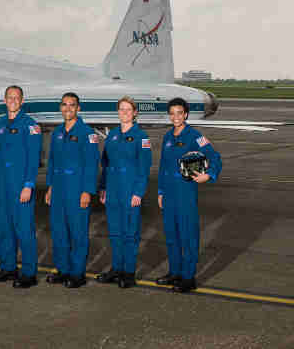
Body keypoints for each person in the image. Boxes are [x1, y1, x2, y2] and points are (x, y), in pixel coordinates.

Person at [156, 97, 222, 293]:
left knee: (188, 236)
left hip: (185, 192)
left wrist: (209, 175)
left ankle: (188, 277)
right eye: (172, 113)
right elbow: (162, 167)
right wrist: (160, 191)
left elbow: (214, 157)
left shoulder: (195, 135)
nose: (175, 116)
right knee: (171, 237)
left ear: (185, 114)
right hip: (169, 194)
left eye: (179, 113)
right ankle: (175, 273)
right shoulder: (168, 137)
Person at [44, 92, 100, 288]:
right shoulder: (57, 132)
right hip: (58, 189)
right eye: (64, 105)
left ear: (78, 108)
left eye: (72, 105)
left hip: (77, 190)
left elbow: (92, 165)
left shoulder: (87, 133)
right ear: (61, 107)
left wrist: (87, 191)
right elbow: (51, 162)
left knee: (77, 233)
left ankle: (77, 273)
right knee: (59, 231)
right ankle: (63, 269)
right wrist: (50, 187)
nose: (68, 108)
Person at [95, 96, 151, 289]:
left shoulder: (141, 137)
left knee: (130, 234)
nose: (125, 113)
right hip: (112, 190)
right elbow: (106, 164)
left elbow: (144, 168)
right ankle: (116, 269)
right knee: (115, 233)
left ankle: (128, 273)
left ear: (135, 113)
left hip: (129, 191)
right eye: (121, 109)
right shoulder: (112, 135)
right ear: (118, 112)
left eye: (128, 110)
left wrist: (138, 192)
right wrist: (102, 188)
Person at [0, 86, 42, 289]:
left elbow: (33, 158)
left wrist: (29, 185)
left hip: (21, 185)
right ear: (5, 100)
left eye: (16, 98)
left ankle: (29, 273)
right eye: (9, 97)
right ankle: (8, 267)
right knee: (5, 229)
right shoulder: (1, 123)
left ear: (22, 101)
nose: (13, 100)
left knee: (24, 230)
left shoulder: (30, 125)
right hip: (3, 185)